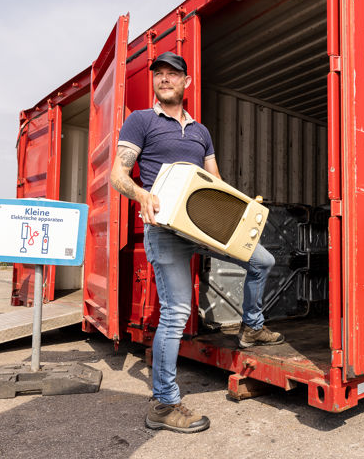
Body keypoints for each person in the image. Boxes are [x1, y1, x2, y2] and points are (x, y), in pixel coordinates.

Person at [109, 51, 285, 433]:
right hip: (167, 229)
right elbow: (118, 174)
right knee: (175, 314)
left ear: (187, 83)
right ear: (154, 83)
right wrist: (141, 195)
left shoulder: (201, 132)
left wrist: (238, 209)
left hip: (207, 226)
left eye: (173, 74)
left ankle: (252, 327)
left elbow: (215, 181)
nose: (164, 79)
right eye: (159, 74)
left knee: (263, 261)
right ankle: (163, 405)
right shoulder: (140, 121)